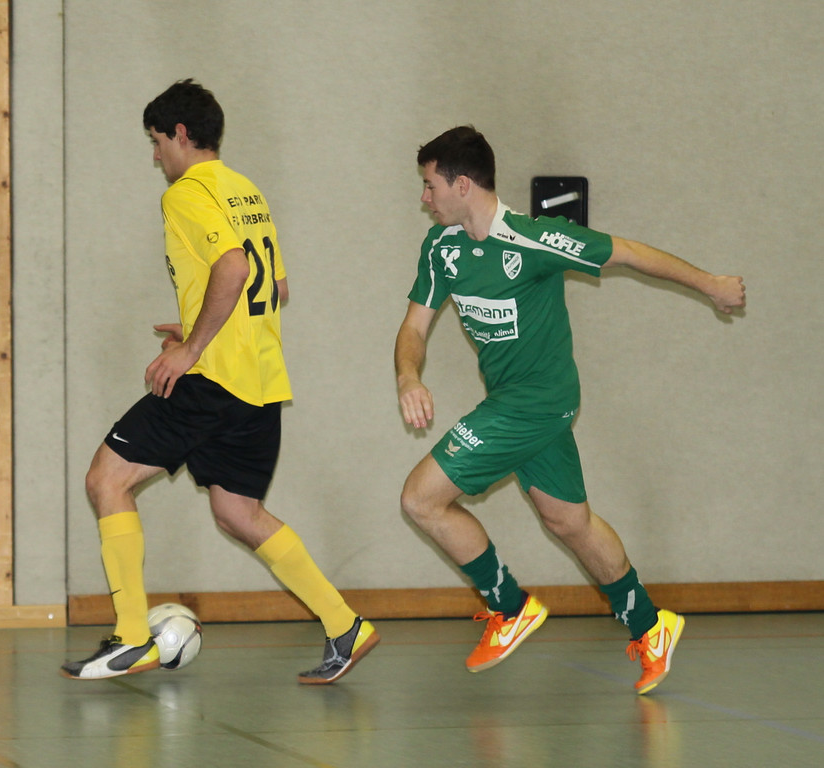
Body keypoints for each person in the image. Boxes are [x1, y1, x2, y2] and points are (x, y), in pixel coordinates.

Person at [394, 126, 745, 694]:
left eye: (430, 185)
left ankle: (510, 607)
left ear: (462, 185)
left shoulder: (534, 239)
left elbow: (627, 253)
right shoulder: (442, 249)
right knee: (569, 522)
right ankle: (650, 625)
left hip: (536, 401)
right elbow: (414, 327)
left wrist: (711, 284)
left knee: (421, 498)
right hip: (518, 404)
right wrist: (409, 376)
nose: (424, 197)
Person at [61, 79, 379, 683]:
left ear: (181, 134)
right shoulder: (246, 191)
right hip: (260, 382)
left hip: (211, 381)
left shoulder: (186, 193)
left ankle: (130, 637)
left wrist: (192, 349)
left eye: (157, 141)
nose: (156, 154)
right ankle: (345, 624)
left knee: (106, 480)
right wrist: (196, 326)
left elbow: (232, 268)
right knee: (238, 512)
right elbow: (274, 286)